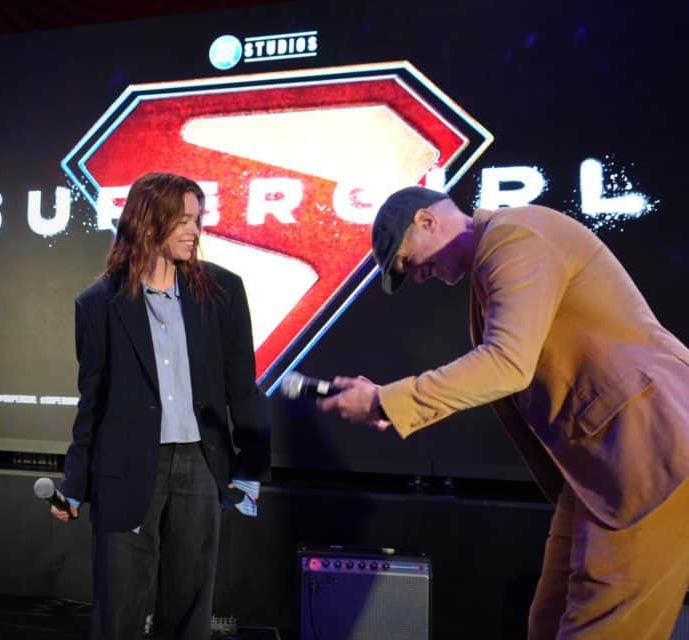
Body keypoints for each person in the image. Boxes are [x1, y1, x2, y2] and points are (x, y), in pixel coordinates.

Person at [317, 185, 689, 638]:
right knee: (549, 622)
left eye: (408, 262)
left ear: (427, 221)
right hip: (599, 469)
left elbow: (506, 365)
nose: (417, 276)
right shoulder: (497, 259)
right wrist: (393, 405)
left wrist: (385, 400)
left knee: (602, 628)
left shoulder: (516, 237)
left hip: (648, 451)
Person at [52, 172, 271, 639]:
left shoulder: (223, 291)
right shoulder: (97, 303)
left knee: (191, 604)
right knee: (119, 609)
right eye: (184, 220)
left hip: (199, 466)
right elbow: (91, 402)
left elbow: (242, 388)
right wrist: (75, 482)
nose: (196, 231)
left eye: (198, 219)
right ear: (149, 223)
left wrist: (251, 467)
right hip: (126, 469)